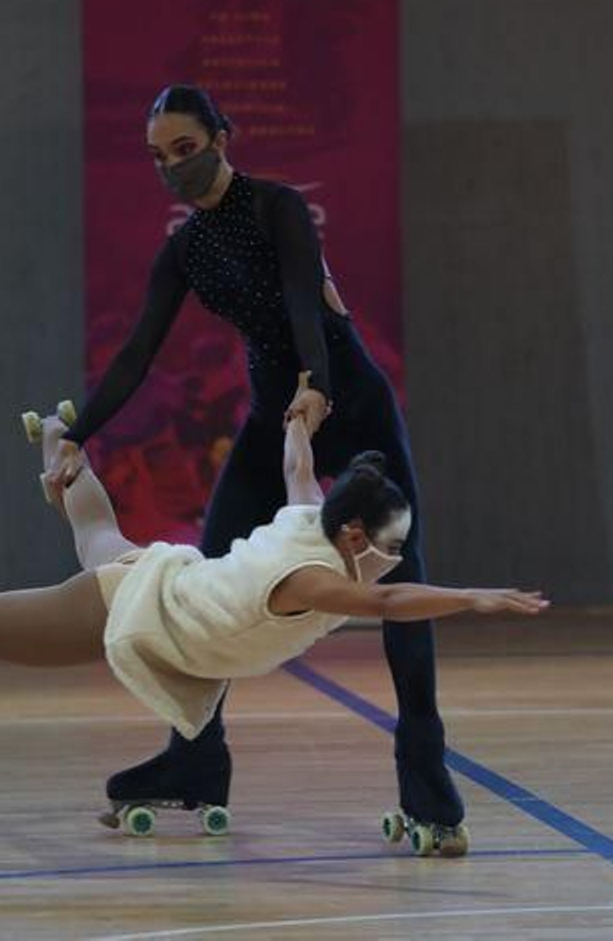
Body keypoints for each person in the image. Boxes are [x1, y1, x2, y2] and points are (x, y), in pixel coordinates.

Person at [0, 406, 547, 849]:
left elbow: (298, 458)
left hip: (161, 575)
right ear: (358, 537)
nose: (396, 564)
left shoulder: (309, 517)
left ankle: (57, 438)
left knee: (94, 537)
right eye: (392, 549)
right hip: (133, 606)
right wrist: (472, 597)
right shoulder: (314, 579)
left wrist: (303, 407)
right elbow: (392, 605)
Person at [44, 84, 467, 837]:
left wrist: (316, 387)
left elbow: (305, 299)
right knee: (203, 583)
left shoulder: (278, 208)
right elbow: (138, 352)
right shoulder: (184, 252)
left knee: (403, 578)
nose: (174, 166)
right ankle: (196, 758)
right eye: (159, 157)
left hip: (351, 403)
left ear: (221, 138)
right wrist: (83, 434)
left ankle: (427, 788)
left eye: (185, 148)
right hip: (279, 420)